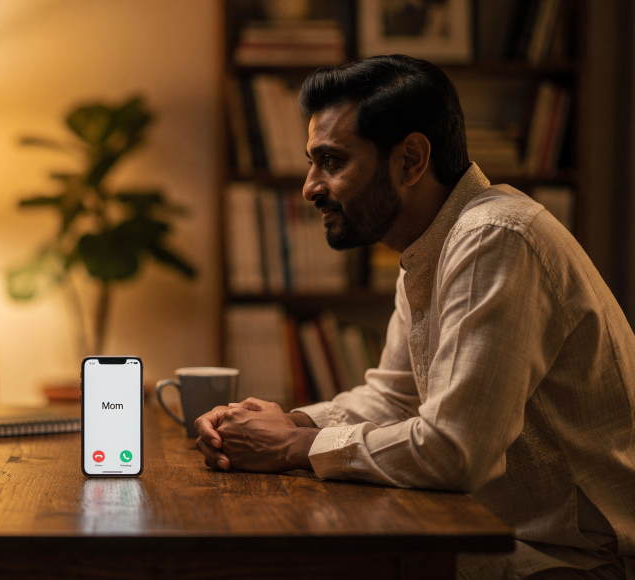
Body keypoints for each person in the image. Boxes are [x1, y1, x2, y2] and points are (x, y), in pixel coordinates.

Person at [196, 55, 635, 580]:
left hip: (573, 561)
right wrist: (281, 422)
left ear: (410, 160)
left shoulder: (494, 236)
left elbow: (454, 451)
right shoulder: (429, 245)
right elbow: (393, 397)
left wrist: (291, 447)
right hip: (493, 533)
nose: (311, 186)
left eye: (331, 161)